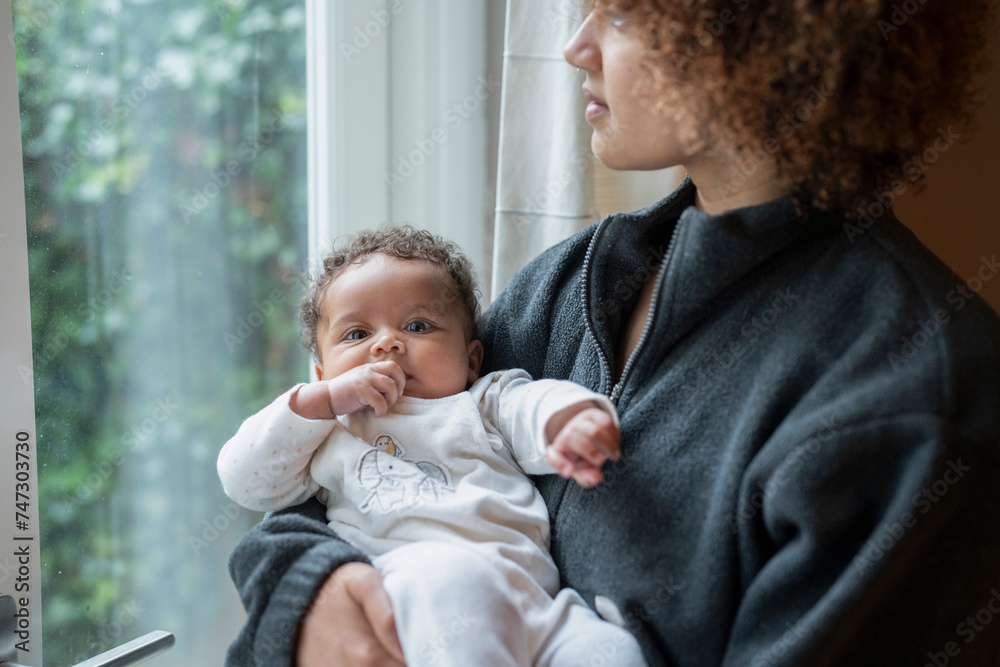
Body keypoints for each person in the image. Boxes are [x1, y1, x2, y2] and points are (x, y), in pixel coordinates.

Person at [224, 1, 1000, 665]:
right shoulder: (575, 279)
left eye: (625, 11)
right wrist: (307, 587)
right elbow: (372, 457)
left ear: (760, 36)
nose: (575, 45)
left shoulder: (911, 398)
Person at [218, 226, 647, 666]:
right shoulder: (331, 432)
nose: (386, 343)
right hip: (419, 597)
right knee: (456, 586)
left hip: (535, 604)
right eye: (356, 334)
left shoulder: (484, 402)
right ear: (323, 374)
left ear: (472, 361)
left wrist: (571, 420)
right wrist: (317, 404)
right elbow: (243, 478)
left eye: (418, 325)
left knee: (611, 650)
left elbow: (536, 405)